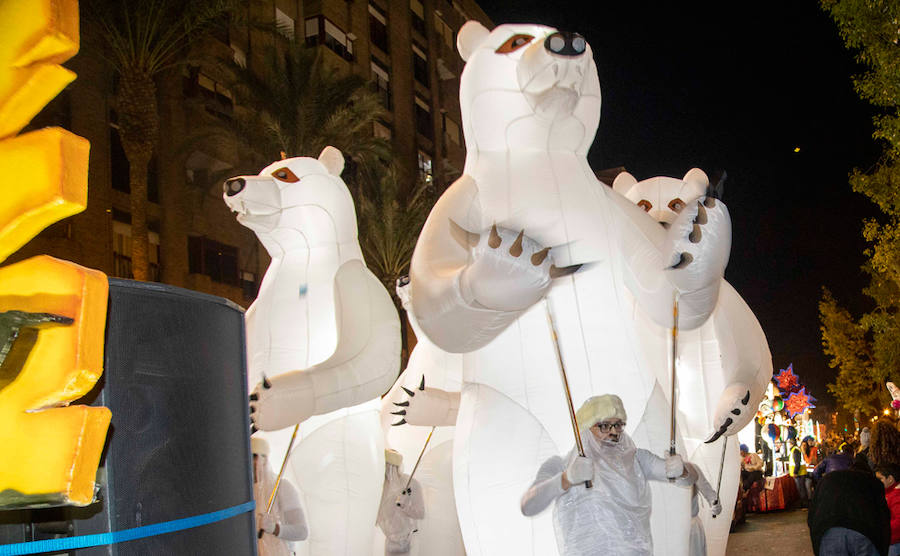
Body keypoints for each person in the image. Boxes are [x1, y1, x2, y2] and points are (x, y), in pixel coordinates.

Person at [520, 394, 692, 555]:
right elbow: (528, 506)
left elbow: (686, 481)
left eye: (618, 425)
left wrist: (681, 471)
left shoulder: (636, 459)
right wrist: (566, 479)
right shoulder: (560, 465)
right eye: (603, 425)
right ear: (585, 429)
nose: (613, 432)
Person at [808, 468, 890, 556]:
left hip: (829, 530)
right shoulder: (872, 482)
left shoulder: (826, 480)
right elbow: (883, 515)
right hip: (864, 531)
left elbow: (812, 515)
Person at [251, 437, 309, 556]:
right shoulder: (243, 493)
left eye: (255, 456)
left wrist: (274, 528)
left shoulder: (281, 487)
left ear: (264, 459)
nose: (253, 462)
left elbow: (301, 531)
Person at [376, 449, 425, 555]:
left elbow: (420, 513)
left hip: (408, 543)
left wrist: (405, 506)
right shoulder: (381, 486)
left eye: (388, 466)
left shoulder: (411, 483)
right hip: (390, 545)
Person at [683, 462, 722, 556]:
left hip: (691, 529)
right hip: (666, 530)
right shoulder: (653, 471)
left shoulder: (691, 468)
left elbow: (709, 493)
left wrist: (715, 504)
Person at [875, 464, 900, 556]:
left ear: (890, 479)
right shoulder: (889, 492)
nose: (876, 482)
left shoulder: (896, 496)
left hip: (893, 542)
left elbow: (898, 522)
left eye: (880, 479)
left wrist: (881, 530)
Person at [789, 437, 809, 508]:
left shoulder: (795, 450)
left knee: (801, 489)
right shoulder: (795, 450)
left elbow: (797, 463)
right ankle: (804, 504)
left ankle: (805, 505)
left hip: (799, 473)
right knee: (801, 489)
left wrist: (795, 472)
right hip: (799, 473)